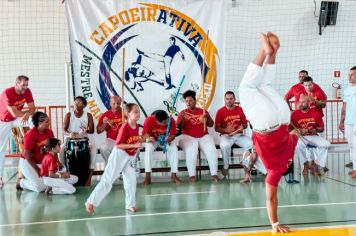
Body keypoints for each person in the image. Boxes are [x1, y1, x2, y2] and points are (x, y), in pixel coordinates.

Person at [238, 32, 299, 233]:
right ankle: (264, 51)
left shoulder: (290, 150)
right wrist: (274, 224)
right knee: (245, 87)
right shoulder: (274, 170)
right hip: (266, 123)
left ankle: (273, 53)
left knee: (264, 84)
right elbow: (271, 198)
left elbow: (296, 133)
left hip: (283, 116)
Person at [85, 103, 143, 214]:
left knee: (131, 180)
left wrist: (141, 141)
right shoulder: (124, 127)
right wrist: (134, 146)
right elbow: (118, 145)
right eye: (135, 111)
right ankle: (90, 202)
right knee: (108, 179)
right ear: (128, 114)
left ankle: (130, 204)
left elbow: (132, 140)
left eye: (138, 111)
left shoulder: (136, 126)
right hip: (119, 155)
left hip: (129, 156)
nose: (138, 114)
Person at [176, 90, 219, 183]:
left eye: (190, 100)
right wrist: (182, 118)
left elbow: (211, 125)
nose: (188, 103)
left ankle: (214, 174)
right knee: (192, 149)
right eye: (186, 101)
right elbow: (178, 127)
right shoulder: (183, 112)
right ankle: (192, 175)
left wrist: (207, 118)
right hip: (187, 136)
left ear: (195, 101)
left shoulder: (203, 111)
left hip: (203, 136)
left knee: (211, 149)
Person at [0, 75, 35, 188]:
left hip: (17, 119)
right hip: (3, 121)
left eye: (26, 85)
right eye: (23, 85)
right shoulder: (7, 93)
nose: (25, 87)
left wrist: (28, 114)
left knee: (34, 120)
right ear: (16, 84)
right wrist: (26, 113)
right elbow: (14, 113)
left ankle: (33, 142)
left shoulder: (27, 91)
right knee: (1, 149)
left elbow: (32, 108)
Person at [215, 91, 252, 176]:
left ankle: (244, 162)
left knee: (251, 144)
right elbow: (216, 128)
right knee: (224, 146)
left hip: (239, 135)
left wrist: (241, 127)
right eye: (227, 99)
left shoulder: (240, 109)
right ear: (224, 100)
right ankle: (226, 167)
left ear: (234, 99)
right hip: (226, 136)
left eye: (231, 99)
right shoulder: (220, 111)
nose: (229, 101)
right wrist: (225, 130)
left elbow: (245, 124)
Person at [291, 94, 330, 176]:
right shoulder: (294, 114)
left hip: (313, 136)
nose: (301, 104)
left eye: (303, 102)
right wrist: (298, 131)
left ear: (309, 103)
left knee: (326, 144)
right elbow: (290, 130)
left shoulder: (315, 113)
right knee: (299, 146)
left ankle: (316, 164)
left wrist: (315, 129)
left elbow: (322, 128)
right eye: (299, 102)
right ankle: (305, 164)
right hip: (301, 137)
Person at [60, 96, 95, 186]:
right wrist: (70, 133)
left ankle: (89, 177)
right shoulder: (69, 115)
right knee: (61, 149)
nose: (76, 103)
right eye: (75, 102)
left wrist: (85, 130)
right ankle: (64, 172)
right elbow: (63, 130)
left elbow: (92, 130)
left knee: (94, 149)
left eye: (79, 102)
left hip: (84, 140)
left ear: (84, 105)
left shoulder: (88, 115)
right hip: (70, 140)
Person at [17, 111, 54, 192]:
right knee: (40, 187)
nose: (49, 123)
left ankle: (31, 178)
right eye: (47, 121)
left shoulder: (49, 132)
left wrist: (57, 162)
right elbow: (27, 155)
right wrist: (37, 169)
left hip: (41, 162)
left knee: (51, 182)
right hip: (28, 162)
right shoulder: (31, 134)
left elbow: (52, 149)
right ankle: (21, 182)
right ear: (39, 122)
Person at [142, 110, 180, 185]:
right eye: (164, 123)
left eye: (166, 121)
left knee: (174, 148)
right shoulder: (149, 120)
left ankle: (174, 175)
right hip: (153, 140)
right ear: (157, 121)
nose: (166, 124)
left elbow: (173, 135)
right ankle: (147, 176)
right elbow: (144, 135)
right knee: (148, 148)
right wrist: (149, 138)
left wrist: (170, 138)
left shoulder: (171, 120)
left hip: (165, 140)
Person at [339, 66, 356, 178]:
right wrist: (341, 121)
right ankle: (354, 164)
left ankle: (355, 169)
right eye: (349, 74)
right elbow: (344, 107)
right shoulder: (347, 90)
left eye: (352, 74)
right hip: (348, 122)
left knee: (355, 145)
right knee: (351, 144)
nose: (349, 76)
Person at [97, 96, 123, 163]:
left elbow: (134, 127)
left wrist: (127, 122)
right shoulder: (106, 114)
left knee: (136, 147)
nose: (116, 105)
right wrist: (105, 123)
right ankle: (110, 165)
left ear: (120, 103)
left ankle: (132, 166)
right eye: (114, 103)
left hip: (125, 139)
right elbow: (98, 131)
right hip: (111, 140)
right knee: (103, 148)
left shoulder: (126, 113)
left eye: (118, 103)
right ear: (110, 104)